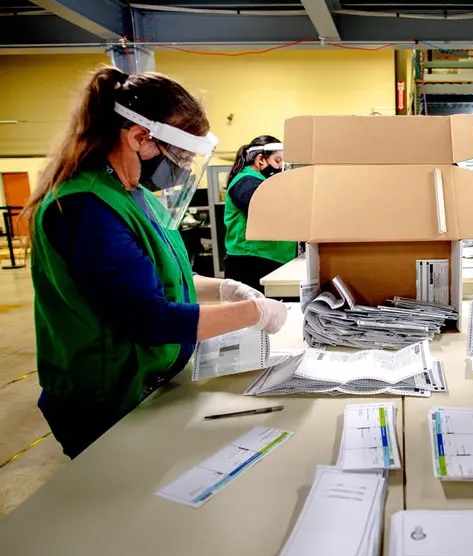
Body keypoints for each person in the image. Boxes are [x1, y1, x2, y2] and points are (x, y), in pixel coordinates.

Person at [21, 67, 289, 459]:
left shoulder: (134, 193)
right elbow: (148, 318)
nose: (180, 167)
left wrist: (224, 289)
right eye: (178, 155)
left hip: (149, 379)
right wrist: (252, 312)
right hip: (106, 397)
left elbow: (167, 277)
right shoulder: (85, 208)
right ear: (139, 137)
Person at [224, 136, 297, 292]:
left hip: (267, 258)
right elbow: (267, 210)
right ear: (260, 160)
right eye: (277, 161)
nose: (280, 167)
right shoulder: (246, 182)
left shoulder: (260, 182)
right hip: (252, 261)